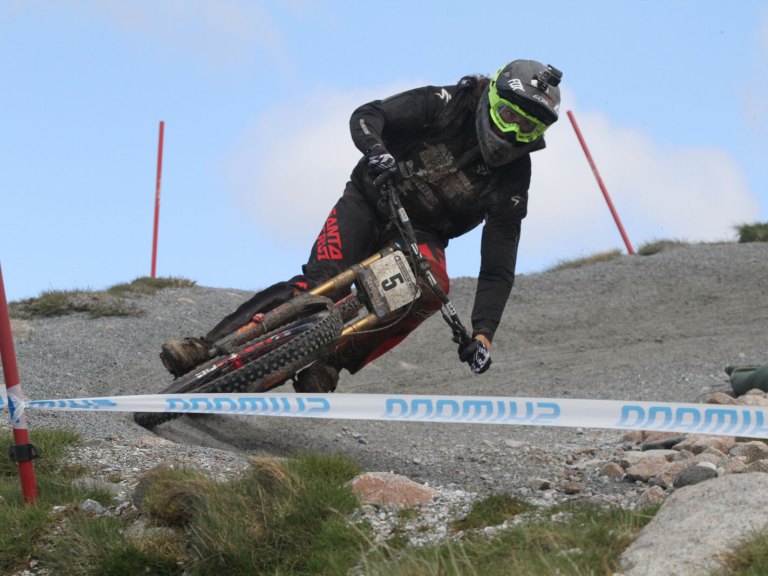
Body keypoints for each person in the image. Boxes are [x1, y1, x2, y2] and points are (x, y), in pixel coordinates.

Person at [160, 59, 562, 392]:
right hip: (369, 200)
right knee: (318, 288)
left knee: (432, 288)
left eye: (527, 128)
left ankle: (331, 362)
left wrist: (483, 332)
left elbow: (497, 264)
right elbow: (370, 115)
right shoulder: (445, 102)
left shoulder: (514, 178)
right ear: (491, 98)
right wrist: (377, 152)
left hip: (420, 234)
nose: (512, 133)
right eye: (509, 116)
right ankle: (205, 347)